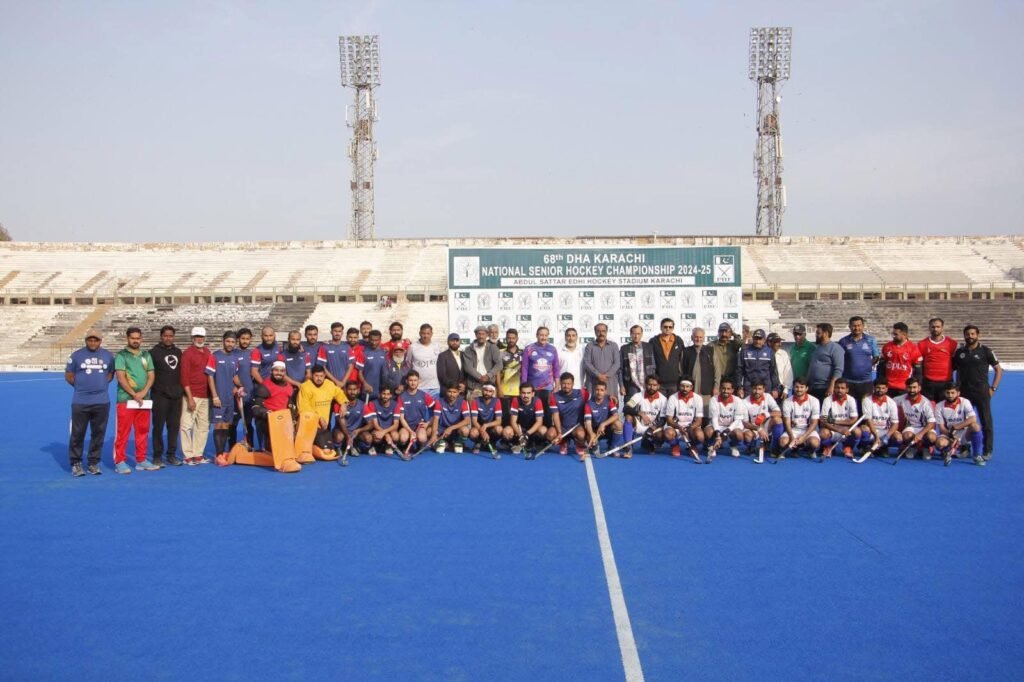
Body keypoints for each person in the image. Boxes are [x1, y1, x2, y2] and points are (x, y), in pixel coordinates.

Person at [65, 329, 115, 477]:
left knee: (98, 433)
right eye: (90, 340)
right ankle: (76, 463)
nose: (93, 342)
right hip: (80, 401)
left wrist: (99, 386)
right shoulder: (76, 356)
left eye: (96, 340)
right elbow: (69, 375)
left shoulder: (108, 356)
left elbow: (110, 374)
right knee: (77, 433)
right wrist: (81, 386)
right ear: (86, 340)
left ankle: (93, 462)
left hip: (102, 401)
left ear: (101, 341)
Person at [114, 327, 158, 473]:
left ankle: (141, 459)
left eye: (138, 338)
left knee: (143, 430)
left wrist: (144, 392)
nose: (135, 340)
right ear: (127, 338)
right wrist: (134, 394)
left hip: (144, 400)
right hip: (126, 399)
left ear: (141, 339)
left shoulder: (146, 355)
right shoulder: (121, 355)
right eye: (133, 338)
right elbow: (120, 377)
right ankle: (120, 461)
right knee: (123, 431)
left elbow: (151, 375)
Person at [954, 324, 1001, 460]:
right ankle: (964, 447)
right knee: (963, 422)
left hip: (981, 391)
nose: (970, 337)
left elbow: (998, 370)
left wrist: (993, 388)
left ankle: (987, 450)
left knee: (986, 421)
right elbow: (954, 370)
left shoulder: (986, 351)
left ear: (978, 335)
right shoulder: (960, 353)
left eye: (972, 334)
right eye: (967, 334)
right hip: (964, 392)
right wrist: (956, 388)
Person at [295, 364, 348, 463]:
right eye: (316, 376)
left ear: (324, 375)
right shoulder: (305, 387)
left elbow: (339, 393)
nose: (319, 378)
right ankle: (307, 448)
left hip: (323, 428)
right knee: (326, 453)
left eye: (321, 376)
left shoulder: (329, 385)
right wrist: (318, 418)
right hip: (309, 426)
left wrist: (343, 403)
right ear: (311, 375)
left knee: (329, 452)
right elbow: (304, 408)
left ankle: (311, 447)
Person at [149, 325, 183, 467]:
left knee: (174, 427)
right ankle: (157, 455)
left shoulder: (179, 352)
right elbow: (148, 374)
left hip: (176, 396)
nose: (168, 338)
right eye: (166, 336)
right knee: (158, 427)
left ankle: (171, 454)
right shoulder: (153, 353)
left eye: (171, 336)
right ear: (161, 336)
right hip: (159, 396)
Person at [207, 331, 242, 464]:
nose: (230, 344)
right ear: (223, 341)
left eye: (232, 342)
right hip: (219, 397)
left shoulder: (235, 357)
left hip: (230, 397)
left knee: (226, 425)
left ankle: (223, 452)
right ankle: (218, 455)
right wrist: (214, 395)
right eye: (228, 341)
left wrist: (240, 386)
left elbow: (235, 376)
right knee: (218, 425)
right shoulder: (215, 356)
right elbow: (210, 376)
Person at [179, 326, 212, 466]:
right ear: (192, 338)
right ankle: (188, 455)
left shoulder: (208, 352)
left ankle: (198, 454)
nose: (200, 339)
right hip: (192, 395)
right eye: (197, 337)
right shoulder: (187, 354)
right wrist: (190, 397)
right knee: (187, 425)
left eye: (202, 337)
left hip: (206, 395)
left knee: (203, 426)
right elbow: (184, 377)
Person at [251, 361, 296, 462]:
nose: (279, 373)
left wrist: (293, 420)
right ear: (271, 371)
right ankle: (266, 449)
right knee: (273, 447)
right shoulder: (264, 386)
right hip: (267, 421)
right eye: (276, 370)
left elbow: (291, 406)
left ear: (285, 372)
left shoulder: (289, 387)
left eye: (282, 371)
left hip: (283, 421)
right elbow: (255, 408)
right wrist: (267, 413)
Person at [837, 316, 879, 404]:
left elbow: (876, 357)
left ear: (863, 326)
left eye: (859, 325)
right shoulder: (843, 341)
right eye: (854, 326)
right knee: (850, 408)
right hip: (848, 381)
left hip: (866, 381)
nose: (856, 328)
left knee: (866, 408)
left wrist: (866, 366)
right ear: (849, 327)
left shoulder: (871, 340)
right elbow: (839, 359)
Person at [622, 375, 668, 454]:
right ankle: (628, 446)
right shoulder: (638, 396)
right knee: (628, 417)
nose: (651, 387)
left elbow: (664, 419)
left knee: (660, 435)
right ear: (645, 385)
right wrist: (639, 413)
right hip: (639, 425)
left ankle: (649, 443)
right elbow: (626, 408)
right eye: (649, 385)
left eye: (654, 385)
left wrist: (655, 427)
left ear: (658, 386)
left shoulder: (663, 399)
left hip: (653, 427)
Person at [704, 378, 747, 460]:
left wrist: (725, 433)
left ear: (732, 390)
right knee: (708, 431)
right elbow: (714, 419)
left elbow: (737, 420)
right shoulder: (713, 400)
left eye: (728, 389)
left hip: (731, 427)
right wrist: (717, 434)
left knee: (739, 434)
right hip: (717, 425)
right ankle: (711, 446)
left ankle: (733, 446)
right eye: (723, 388)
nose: (725, 391)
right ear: (720, 389)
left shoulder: (738, 401)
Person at [548, 372, 589, 457]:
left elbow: (597, 398)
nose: (566, 386)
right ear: (560, 384)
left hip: (576, 427)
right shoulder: (554, 396)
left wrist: (609, 397)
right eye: (563, 384)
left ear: (573, 384)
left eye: (568, 384)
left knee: (581, 435)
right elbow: (555, 415)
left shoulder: (582, 393)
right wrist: (559, 432)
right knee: (550, 435)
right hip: (562, 427)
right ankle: (564, 442)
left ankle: (578, 444)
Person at [858, 378, 901, 459]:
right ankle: (864, 447)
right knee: (864, 429)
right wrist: (876, 437)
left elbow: (895, 423)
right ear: (874, 388)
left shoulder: (891, 403)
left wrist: (887, 436)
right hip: (871, 429)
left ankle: (883, 448)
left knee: (898, 438)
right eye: (878, 388)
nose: (880, 390)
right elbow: (868, 420)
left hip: (885, 431)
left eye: (883, 388)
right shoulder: (867, 400)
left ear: (886, 389)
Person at [895, 377, 937, 459]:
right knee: (907, 435)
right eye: (909, 387)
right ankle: (912, 448)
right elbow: (888, 402)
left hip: (924, 428)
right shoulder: (899, 399)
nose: (912, 390)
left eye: (914, 387)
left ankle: (925, 447)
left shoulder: (925, 403)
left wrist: (921, 434)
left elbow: (931, 423)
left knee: (931, 437)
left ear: (919, 388)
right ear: (906, 387)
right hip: (910, 428)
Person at [819, 378, 862, 458]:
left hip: (846, 430)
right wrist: (839, 429)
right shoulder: (827, 400)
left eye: (842, 388)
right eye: (837, 387)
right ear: (834, 388)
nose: (839, 390)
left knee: (858, 432)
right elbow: (823, 421)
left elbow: (854, 420)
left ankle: (847, 447)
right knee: (823, 433)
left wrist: (834, 421)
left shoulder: (851, 400)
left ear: (847, 390)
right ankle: (828, 447)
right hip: (832, 429)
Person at [779, 378, 821, 459]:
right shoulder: (787, 402)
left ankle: (808, 449)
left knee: (815, 443)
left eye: (802, 387)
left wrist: (803, 437)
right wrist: (791, 437)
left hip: (807, 430)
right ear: (793, 388)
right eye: (797, 387)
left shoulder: (814, 401)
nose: (799, 389)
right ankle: (795, 449)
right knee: (782, 442)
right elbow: (787, 422)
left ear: (806, 388)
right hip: (793, 430)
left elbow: (814, 423)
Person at [918, 318, 958, 402]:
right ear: (929, 328)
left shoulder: (952, 343)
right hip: (928, 382)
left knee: (945, 410)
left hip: (946, 382)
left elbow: (955, 362)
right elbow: (920, 364)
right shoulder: (922, 344)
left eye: (938, 327)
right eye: (933, 327)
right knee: (928, 410)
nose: (935, 329)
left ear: (942, 328)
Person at [878, 322, 922, 398]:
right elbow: (881, 367)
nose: (893, 336)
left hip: (905, 387)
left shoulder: (913, 348)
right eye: (893, 334)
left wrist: (914, 386)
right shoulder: (887, 347)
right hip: (888, 387)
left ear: (904, 334)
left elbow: (918, 372)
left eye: (896, 334)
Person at [397, 370, 437, 453]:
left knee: (422, 439)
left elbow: (436, 412)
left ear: (419, 381)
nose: (413, 383)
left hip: (419, 426)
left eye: (415, 380)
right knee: (403, 438)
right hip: (406, 426)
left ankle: (420, 445)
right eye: (411, 380)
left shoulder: (424, 395)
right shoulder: (401, 397)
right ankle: (405, 444)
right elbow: (401, 418)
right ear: (407, 381)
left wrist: (428, 423)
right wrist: (411, 431)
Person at [521, 326, 560, 412]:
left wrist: (557, 386)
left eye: (546, 335)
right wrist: (524, 386)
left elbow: (556, 369)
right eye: (541, 335)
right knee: (534, 412)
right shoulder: (529, 349)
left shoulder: (552, 349)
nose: (543, 337)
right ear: (537, 335)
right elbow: (524, 368)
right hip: (533, 388)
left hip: (548, 388)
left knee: (547, 413)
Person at [664, 378, 705, 459]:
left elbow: (699, 420)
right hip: (676, 427)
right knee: (668, 433)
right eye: (682, 386)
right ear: (679, 386)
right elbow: (669, 419)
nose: (685, 389)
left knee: (700, 436)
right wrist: (679, 427)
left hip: (691, 427)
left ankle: (692, 446)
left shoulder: (698, 398)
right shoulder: (672, 398)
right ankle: (675, 445)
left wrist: (689, 428)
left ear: (691, 387)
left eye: (687, 386)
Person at [742, 379, 781, 461]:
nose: (757, 391)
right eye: (755, 389)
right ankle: (750, 446)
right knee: (748, 436)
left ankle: (775, 448)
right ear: (751, 388)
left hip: (766, 425)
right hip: (753, 427)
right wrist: (758, 429)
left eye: (759, 389)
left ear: (764, 389)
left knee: (778, 420)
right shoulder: (745, 402)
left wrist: (766, 414)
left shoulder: (768, 396)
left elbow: (778, 412)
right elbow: (745, 423)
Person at [231, 327, 256, 449]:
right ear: (238, 339)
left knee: (248, 423)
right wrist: (236, 387)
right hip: (235, 395)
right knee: (233, 423)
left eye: (247, 339)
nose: (245, 341)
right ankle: (231, 448)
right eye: (243, 339)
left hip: (249, 395)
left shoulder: (253, 354)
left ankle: (250, 446)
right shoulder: (233, 354)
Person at [806, 323, 845, 403]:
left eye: (818, 333)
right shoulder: (817, 348)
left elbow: (838, 369)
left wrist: (832, 386)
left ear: (826, 333)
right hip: (813, 388)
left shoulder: (835, 348)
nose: (816, 335)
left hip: (825, 388)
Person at [583, 380, 624, 456]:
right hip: (594, 431)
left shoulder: (609, 401)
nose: (599, 392)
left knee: (618, 424)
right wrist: (591, 434)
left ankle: (612, 448)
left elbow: (616, 415)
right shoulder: (588, 404)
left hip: (606, 429)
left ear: (605, 391)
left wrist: (603, 424)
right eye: (597, 390)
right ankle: (594, 445)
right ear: (594, 390)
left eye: (602, 390)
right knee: (592, 442)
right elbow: (588, 423)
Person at [736, 328, 780, 399]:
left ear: (764, 340)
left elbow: (773, 372)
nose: (757, 341)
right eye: (756, 338)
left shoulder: (769, 352)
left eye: (760, 339)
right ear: (753, 338)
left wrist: (775, 388)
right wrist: (739, 387)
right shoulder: (745, 351)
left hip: (765, 387)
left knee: (765, 409)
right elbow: (739, 370)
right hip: (749, 387)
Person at [581, 323, 620, 398]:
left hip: (610, 382)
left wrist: (607, 375)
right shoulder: (590, 346)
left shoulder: (613, 345)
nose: (601, 333)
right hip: (593, 383)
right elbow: (587, 363)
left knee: (611, 405)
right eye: (598, 331)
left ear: (606, 332)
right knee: (593, 405)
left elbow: (617, 363)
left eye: (603, 331)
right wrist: (598, 375)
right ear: (595, 332)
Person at [463, 325, 503, 398]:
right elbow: (467, 367)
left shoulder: (493, 348)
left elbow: (499, 364)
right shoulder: (468, 349)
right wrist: (479, 377)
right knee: (473, 408)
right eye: (479, 334)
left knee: (490, 408)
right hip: (473, 386)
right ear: (475, 335)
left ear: (487, 335)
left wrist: (488, 376)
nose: (481, 336)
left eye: (483, 334)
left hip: (489, 386)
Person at [335, 380, 372, 456]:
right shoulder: (338, 405)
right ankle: (339, 448)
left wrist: (359, 430)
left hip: (355, 433)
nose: (352, 392)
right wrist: (348, 436)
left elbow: (371, 424)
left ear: (358, 391)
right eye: (350, 389)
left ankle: (356, 446)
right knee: (339, 437)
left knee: (368, 438)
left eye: (354, 390)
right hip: (342, 431)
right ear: (345, 390)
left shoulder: (363, 405)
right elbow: (341, 423)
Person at [363, 385, 403, 455]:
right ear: (380, 394)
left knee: (396, 436)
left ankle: (388, 446)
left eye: (388, 394)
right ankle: (374, 446)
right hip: (377, 429)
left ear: (391, 395)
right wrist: (386, 435)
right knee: (376, 438)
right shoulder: (372, 404)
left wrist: (385, 432)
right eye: (383, 394)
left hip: (390, 430)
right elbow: (374, 424)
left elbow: (396, 425)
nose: (385, 396)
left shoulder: (396, 405)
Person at [650, 318, 685, 396]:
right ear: (661, 327)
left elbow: (683, 360)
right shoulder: (653, 341)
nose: (667, 329)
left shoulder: (678, 341)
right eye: (665, 327)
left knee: (673, 407)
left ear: (673, 328)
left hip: (675, 383)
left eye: (670, 327)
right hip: (658, 383)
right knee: (659, 407)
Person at [432, 383, 471, 453]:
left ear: (458, 392)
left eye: (454, 392)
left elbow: (467, 420)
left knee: (465, 430)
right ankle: (443, 442)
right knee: (430, 433)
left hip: (455, 430)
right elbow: (436, 419)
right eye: (449, 391)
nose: (452, 394)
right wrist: (434, 435)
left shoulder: (463, 402)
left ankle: (457, 442)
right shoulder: (439, 402)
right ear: (446, 391)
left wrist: (451, 428)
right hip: (442, 430)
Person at [509, 383, 547, 455]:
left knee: (543, 430)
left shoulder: (537, 401)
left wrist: (527, 434)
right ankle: (515, 443)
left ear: (533, 394)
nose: (526, 395)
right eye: (523, 393)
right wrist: (520, 435)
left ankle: (534, 444)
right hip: (519, 429)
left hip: (532, 430)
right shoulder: (516, 400)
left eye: (528, 393)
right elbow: (513, 422)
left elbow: (539, 422)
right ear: (520, 393)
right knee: (507, 432)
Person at [621, 324, 656, 401]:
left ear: (642, 334)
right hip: (631, 384)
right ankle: (633, 413)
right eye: (634, 334)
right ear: (630, 334)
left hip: (647, 382)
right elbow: (621, 369)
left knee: (646, 405)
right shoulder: (624, 348)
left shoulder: (649, 347)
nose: (636, 336)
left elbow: (654, 365)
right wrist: (621, 385)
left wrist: (653, 382)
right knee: (632, 405)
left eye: (638, 334)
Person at [408, 323, 442, 399]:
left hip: (435, 387)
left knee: (435, 410)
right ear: (420, 333)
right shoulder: (412, 347)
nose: (425, 336)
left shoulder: (437, 346)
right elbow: (408, 364)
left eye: (428, 333)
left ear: (431, 334)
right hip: (419, 387)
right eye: (423, 333)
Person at [681, 327, 714, 405]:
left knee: (705, 414)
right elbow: (681, 370)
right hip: (689, 390)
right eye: (696, 337)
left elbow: (717, 371)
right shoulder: (686, 351)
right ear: (692, 338)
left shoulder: (710, 351)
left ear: (704, 338)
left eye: (700, 337)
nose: (698, 339)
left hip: (706, 390)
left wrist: (716, 387)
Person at [469, 383, 504, 453]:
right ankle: (478, 443)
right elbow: (474, 421)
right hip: (478, 427)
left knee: (499, 429)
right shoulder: (475, 401)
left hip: (491, 427)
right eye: (485, 390)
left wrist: (486, 425)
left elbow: (498, 421)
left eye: (490, 391)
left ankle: (492, 443)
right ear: (482, 390)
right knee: (473, 433)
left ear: (493, 392)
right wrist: (483, 431)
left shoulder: (497, 401)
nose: (487, 393)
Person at [355, 329, 388, 400]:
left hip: (380, 392)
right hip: (366, 391)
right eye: (372, 340)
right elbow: (359, 373)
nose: (374, 342)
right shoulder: (363, 353)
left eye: (376, 340)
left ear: (380, 340)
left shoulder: (384, 353)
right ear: (369, 339)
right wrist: (365, 384)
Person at [711, 323, 741, 397]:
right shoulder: (712, 345)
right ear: (718, 332)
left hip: (732, 379)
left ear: (730, 333)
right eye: (721, 331)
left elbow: (741, 343)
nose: (724, 334)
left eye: (726, 332)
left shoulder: (733, 345)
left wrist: (733, 334)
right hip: (718, 380)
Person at [499, 329, 523, 421]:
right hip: (504, 391)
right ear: (506, 339)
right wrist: (499, 389)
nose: (511, 340)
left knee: (517, 418)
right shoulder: (500, 352)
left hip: (518, 391)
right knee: (505, 418)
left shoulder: (523, 352)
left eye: (513, 338)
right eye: (509, 338)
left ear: (517, 339)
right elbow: (497, 372)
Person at [323, 322, 353, 387]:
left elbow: (350, 366)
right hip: (330, 384)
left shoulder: (347, 347)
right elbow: (323, 367)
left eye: (339, 331)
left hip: (344, 384)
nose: (337, 333)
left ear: (342, 333)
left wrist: (343, 381)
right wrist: (336, 381)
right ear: (331, 332)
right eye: (335, 331)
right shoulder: (324, 347)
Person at [768, 333, 793, 400]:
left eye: (780, 342)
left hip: (780, 389)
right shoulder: (765, 354)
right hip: (767, 388)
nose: (780, 344)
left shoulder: (783, 354)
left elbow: (788, 372)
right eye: (777, 342)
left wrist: (786, 389)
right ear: (769, 343)